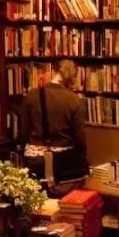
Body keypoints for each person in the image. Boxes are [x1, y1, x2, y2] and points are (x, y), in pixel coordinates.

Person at [18, 59, 89, 196]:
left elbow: (24, 131)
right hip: (62, 161)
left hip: (35, 158)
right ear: (71, 78)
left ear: (54, 72)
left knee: (37, 200)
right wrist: (83, 157)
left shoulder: (31, 96)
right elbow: (80, 137)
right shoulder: (74, 100)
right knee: (64, 201)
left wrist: (23, 154)